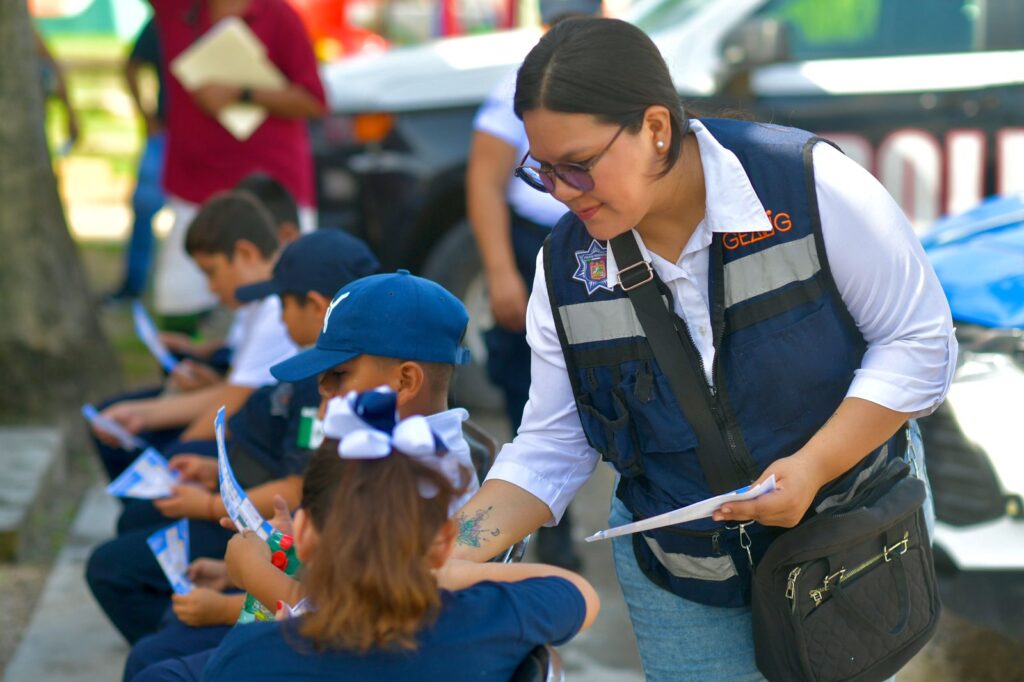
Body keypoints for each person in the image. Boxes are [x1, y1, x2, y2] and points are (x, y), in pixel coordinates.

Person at [450, 17, 957, 681]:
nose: (563, 193)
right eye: (543, 172)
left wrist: (812, 467)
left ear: (656, 128)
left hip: (846, 536)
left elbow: (919, 343)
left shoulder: (807, 184)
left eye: (579, 166)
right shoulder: (565, 267)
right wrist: (450, 551)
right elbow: (553, 443)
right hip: (683, 573)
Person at [129, 273, 488, 680]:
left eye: (339, 375)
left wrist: (255, 574)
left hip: (353, 662)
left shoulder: (418, 480)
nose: (322, 389)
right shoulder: (396, 450)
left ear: (405, 381)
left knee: (158, 671)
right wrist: (284, 549)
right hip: (326, 640)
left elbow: (353, 622)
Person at [198, 390, 599, 681]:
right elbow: (577, 592)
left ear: (302, 533)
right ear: (442, 543)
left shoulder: (250, 656)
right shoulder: (482, 623)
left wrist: (263, 581)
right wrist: (438, 571)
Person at [117, 229, 379, 674]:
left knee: (151, 653)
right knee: (159, 637)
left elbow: (345, 611)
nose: (325, 399)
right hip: (289, 576)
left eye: (337, 381)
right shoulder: (369, 441)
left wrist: (235, 589)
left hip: (309, 627)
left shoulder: (394, 471)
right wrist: (279, 551)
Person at [466, 0, 601, 571]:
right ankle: (553, 534)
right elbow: (484, 180)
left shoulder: (616, 78)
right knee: (534, 394)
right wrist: (501, 272)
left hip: (606, 234)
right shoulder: (520, 87)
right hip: (537, 244)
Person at [89, 192, 299, 482]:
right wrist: (145, 414)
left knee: (157, 469)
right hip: (245, 423)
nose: (211, 288)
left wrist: (168, 465)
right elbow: (236, 389)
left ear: (246, 254)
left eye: (211, 273)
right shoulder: (257, 303)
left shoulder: (273, 310)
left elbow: (231, 404)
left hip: (261, 443)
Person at [147, 0, 326, 327]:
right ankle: (196, 359)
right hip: (195, 184)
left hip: (268, 189)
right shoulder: (179, 9)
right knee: (180, 302)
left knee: (282, 309)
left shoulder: (278, 16)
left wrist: (242, 93)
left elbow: (314, 100)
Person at [108, 17, 167, 302]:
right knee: (144, 206)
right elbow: (131, 65)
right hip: (166, 133)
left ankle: (200, 300)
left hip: (206, 138)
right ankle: (133, 284)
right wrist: (148, 116)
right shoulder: (169, 20)